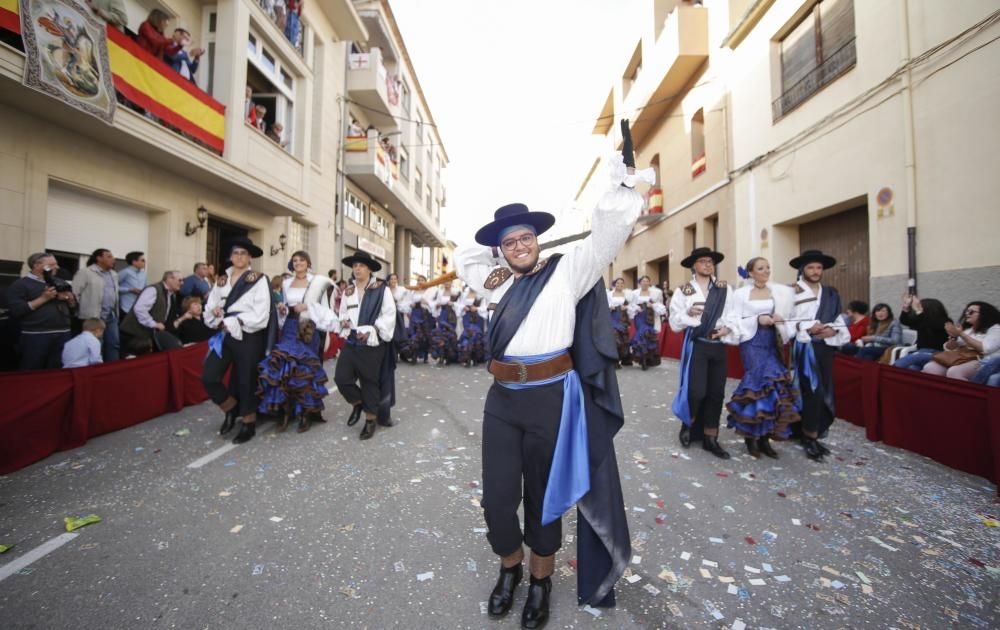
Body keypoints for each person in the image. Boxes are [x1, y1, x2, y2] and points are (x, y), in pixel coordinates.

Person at [455, 151, 644, 625]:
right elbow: (465, 256)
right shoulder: (492, 281)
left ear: (538, 239)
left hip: (552, 397)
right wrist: (494, 252)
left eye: (526, 237)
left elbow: (607, 238)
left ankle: (541, 581)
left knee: (543, 496)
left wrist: (619, 190)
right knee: (498, 498)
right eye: (510, 242)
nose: (520, 245)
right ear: (501, 250)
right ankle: (510, 569)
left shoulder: (569, 270)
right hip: (502, 399)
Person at [724, 257, 800, 458]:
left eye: (768, 267)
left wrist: (780, 319)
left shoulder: (778, 293)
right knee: (757, 384)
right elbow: (733, 319)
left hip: (771, 341)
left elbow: (789, 316)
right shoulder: (740, 294)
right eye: (761, 268)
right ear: (750, 272)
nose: (766, 271)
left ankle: (765, 437)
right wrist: (757, 319)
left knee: (773, 386)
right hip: (751, 342)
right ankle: (750, 437)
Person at [668, 247, 738, 459]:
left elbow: (734, 315)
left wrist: (727, 329)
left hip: (718, 346)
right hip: (697, 345)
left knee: (716, 393)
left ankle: (711, 437)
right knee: (696, 391)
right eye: (703, 261)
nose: (708, 264)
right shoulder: (685, 290)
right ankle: (688, 425)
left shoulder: (724, 289)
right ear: (694, 265)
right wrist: (687, 313)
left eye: (710, 261)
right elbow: (674, 321)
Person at [318, 250, 396, 440]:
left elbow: (389, 315)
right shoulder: (348, 291)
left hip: (372, 342)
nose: (357, 269)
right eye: (354, 266)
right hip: (352, 341)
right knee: (342, 378)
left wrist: (373, 329)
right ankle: (358, 403)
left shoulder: (381, 289)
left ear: (369, 268)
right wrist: (343, 321)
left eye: (361, 265)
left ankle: (370, 420)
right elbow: (343, 313)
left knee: (370, 382)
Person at [202, 238, 272, 444]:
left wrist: (236, 320)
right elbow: (210, 307)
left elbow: (262, 315)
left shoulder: (258, 279)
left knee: (246, 379)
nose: (239, 257)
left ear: (250, 257)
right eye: (236, 253)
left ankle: (248, 422)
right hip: (224, 334)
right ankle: (231, 409)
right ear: (230, 256)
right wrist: (215, 314)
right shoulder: (221, 280)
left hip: (248, 334)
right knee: (209, 376)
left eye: (243, 253)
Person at [786, 250, 851, 461]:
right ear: (802, 269)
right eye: (811, 267)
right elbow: (785, 322)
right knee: (810, 390)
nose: (815, 271)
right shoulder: (792, 292)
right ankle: (809, 437)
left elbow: (838, 321)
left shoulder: (831, 294)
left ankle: (811, 432)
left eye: (819, 268)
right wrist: (807, 327)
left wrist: (834, 331)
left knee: (823, 391)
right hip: (804, 348)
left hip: (825, 348)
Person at [257, 251, 332, 433]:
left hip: (308, 328)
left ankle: (305, 413)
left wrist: (307, 306)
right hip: (290, 327)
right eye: (295, 260)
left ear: (308, 263)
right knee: (285, 367)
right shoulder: (286, 283)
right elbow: (283, 305)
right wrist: (282, 308)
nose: (298, 263)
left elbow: (325, 309)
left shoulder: (317, 282)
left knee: (304, 370)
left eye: (302, 260)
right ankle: (286, 411)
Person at [8, 253, 76, 370]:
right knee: (32, 370)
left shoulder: (60, 282)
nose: (57, 267)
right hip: (36, 335)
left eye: (56, 264)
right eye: (52, 264)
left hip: (63, 333)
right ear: (36, 265)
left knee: (57, 371)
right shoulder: (21, 284)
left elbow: (73, 306)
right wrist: (44, 298)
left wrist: (68, 298)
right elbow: (17, 310)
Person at [923, 302, 1000, 381]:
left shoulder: (995, 329)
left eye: (971, 312)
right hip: (961, 358)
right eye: (966, 311)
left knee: (954, 372)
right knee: (930, 368)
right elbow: (949, 349)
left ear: (984, 314)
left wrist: (961, 334)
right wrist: (953, 337)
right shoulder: (968, 329)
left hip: (982, 360)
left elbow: (985, 348)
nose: (967, 314)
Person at [73, 248, 120, 362]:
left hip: (110, 315)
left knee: (113, 343)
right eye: (109, 256)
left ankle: (113, 368)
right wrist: (83, 310)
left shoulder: (113, 274)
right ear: (98, 258)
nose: (113, 259)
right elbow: (75, 293)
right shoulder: (86, 272)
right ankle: (95, 370)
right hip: (94, 317)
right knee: (95, 345)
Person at [120, 270, 183, 354]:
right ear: (169, 279)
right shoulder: (153, 289)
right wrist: (153, 324)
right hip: (134, 335)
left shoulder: (169, 294)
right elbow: (139, 309)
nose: (182, 283)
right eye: (180, 280)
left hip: (146, 336)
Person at [896, 295, 952, 371]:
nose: (917, 309)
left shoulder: (945, 321)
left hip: (937, 353)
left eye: (920, 307)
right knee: (912, 368)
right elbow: (905, 321)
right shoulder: (921, 319)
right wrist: (906, 306)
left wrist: (919, 312)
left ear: (929, 309)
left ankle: (892, 369)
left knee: (913, 358)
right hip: (921, 350)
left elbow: (930, 324)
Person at [627, 275, 666, 370]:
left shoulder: (656, 293)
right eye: (643, 281)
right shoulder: (634, 293)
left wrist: (652, 305)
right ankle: (643, 359)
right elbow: (631, 305)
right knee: (642, 334)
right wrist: (636, 308)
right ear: (639, 283)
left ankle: (646, 359)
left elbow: (661, 304)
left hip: (650, 317)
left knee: (648, 336)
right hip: (639, 317)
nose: (645, 283)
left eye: (646, 281)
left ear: (649, 282)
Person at [400, 275, 434, 363]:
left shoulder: (429, 292)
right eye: (418, 280)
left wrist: (427, 302)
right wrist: (411, 305)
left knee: (425, 334)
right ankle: (414, 355)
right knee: (414, 334)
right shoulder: (413, 292)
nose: (420, 281)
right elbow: (407, 302)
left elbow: (433, 303)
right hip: (415, 314)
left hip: (425, 315)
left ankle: (425, 355)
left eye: (422, 280)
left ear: (425, 281)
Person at [456, 289, 487, 366]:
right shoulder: (464, 294)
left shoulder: (481, 293)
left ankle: (476, 358)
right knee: (467, 335)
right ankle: (467, 357)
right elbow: (459, 304)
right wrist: (463, 307)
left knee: (476, 336)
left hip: (478, 317)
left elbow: (486, 307)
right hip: (467, 316)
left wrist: (477, 308)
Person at [430, 286, 459, 365]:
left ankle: (449, 357)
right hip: (442, 315)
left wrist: (453, 303)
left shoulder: (456, 291)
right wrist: (437, 306)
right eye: (446, 281)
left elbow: (460, 304)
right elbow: (435, 302)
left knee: (450, 335)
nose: (447, 283)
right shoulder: (440, 292)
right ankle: (441, 356)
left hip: (451, 316)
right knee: (440, 334)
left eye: (449, 281)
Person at [607, 278, 632, 367]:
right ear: (615, 284)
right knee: (615, 338)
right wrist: (610, 307)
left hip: (623, 318)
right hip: (613, 317)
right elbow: (605, 304)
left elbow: (632, 305)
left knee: (624, 338)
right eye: (618, 283)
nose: (620, 285)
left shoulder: (627, 295)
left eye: (622, 283)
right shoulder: (609, 294)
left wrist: (626, 307)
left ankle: (625, 359)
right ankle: (614, 361)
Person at [118, 251, 146, 317]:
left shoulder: (143, 274)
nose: (144, 262)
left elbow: (146, 287)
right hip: (125, 308)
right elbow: (113, 287)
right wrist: (129, 289)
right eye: (142, 260)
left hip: (139, 308)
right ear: (134, 262)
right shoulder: (124, 272)